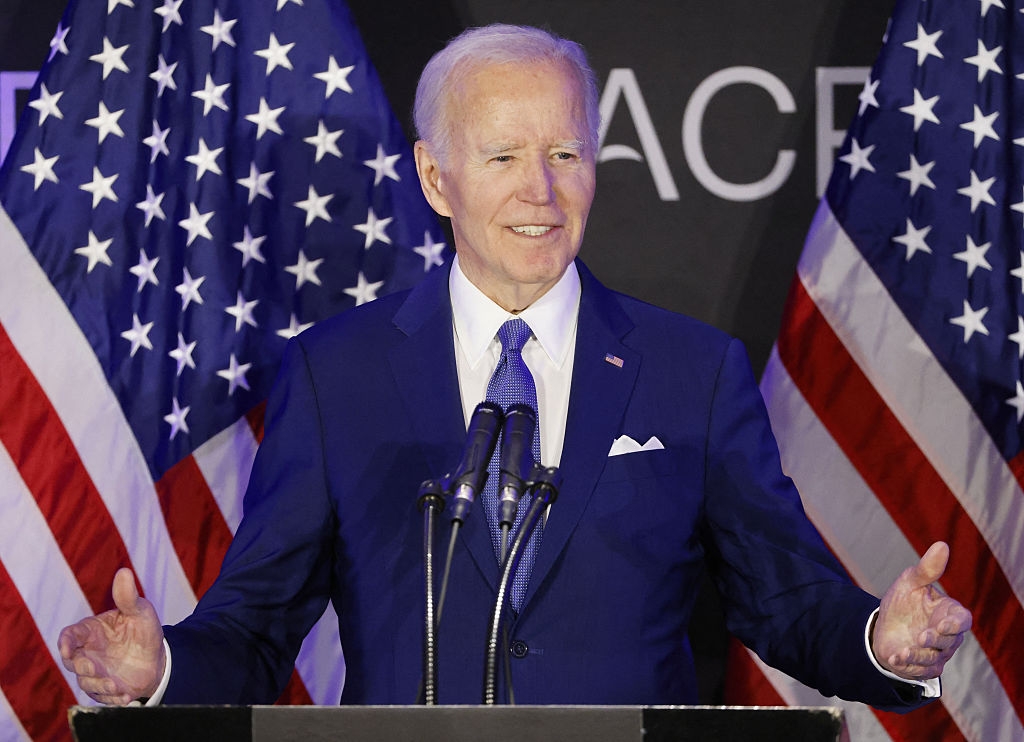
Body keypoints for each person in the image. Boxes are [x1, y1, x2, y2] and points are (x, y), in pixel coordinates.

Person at [59, 23, 971, 709]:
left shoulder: (692, 370)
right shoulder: (338, 377)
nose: (541, 192)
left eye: (565, 153)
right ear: (434, 177)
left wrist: (880, 642)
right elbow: (256, 626)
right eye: (503, 157)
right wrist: (163, 666)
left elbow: (786, 599)